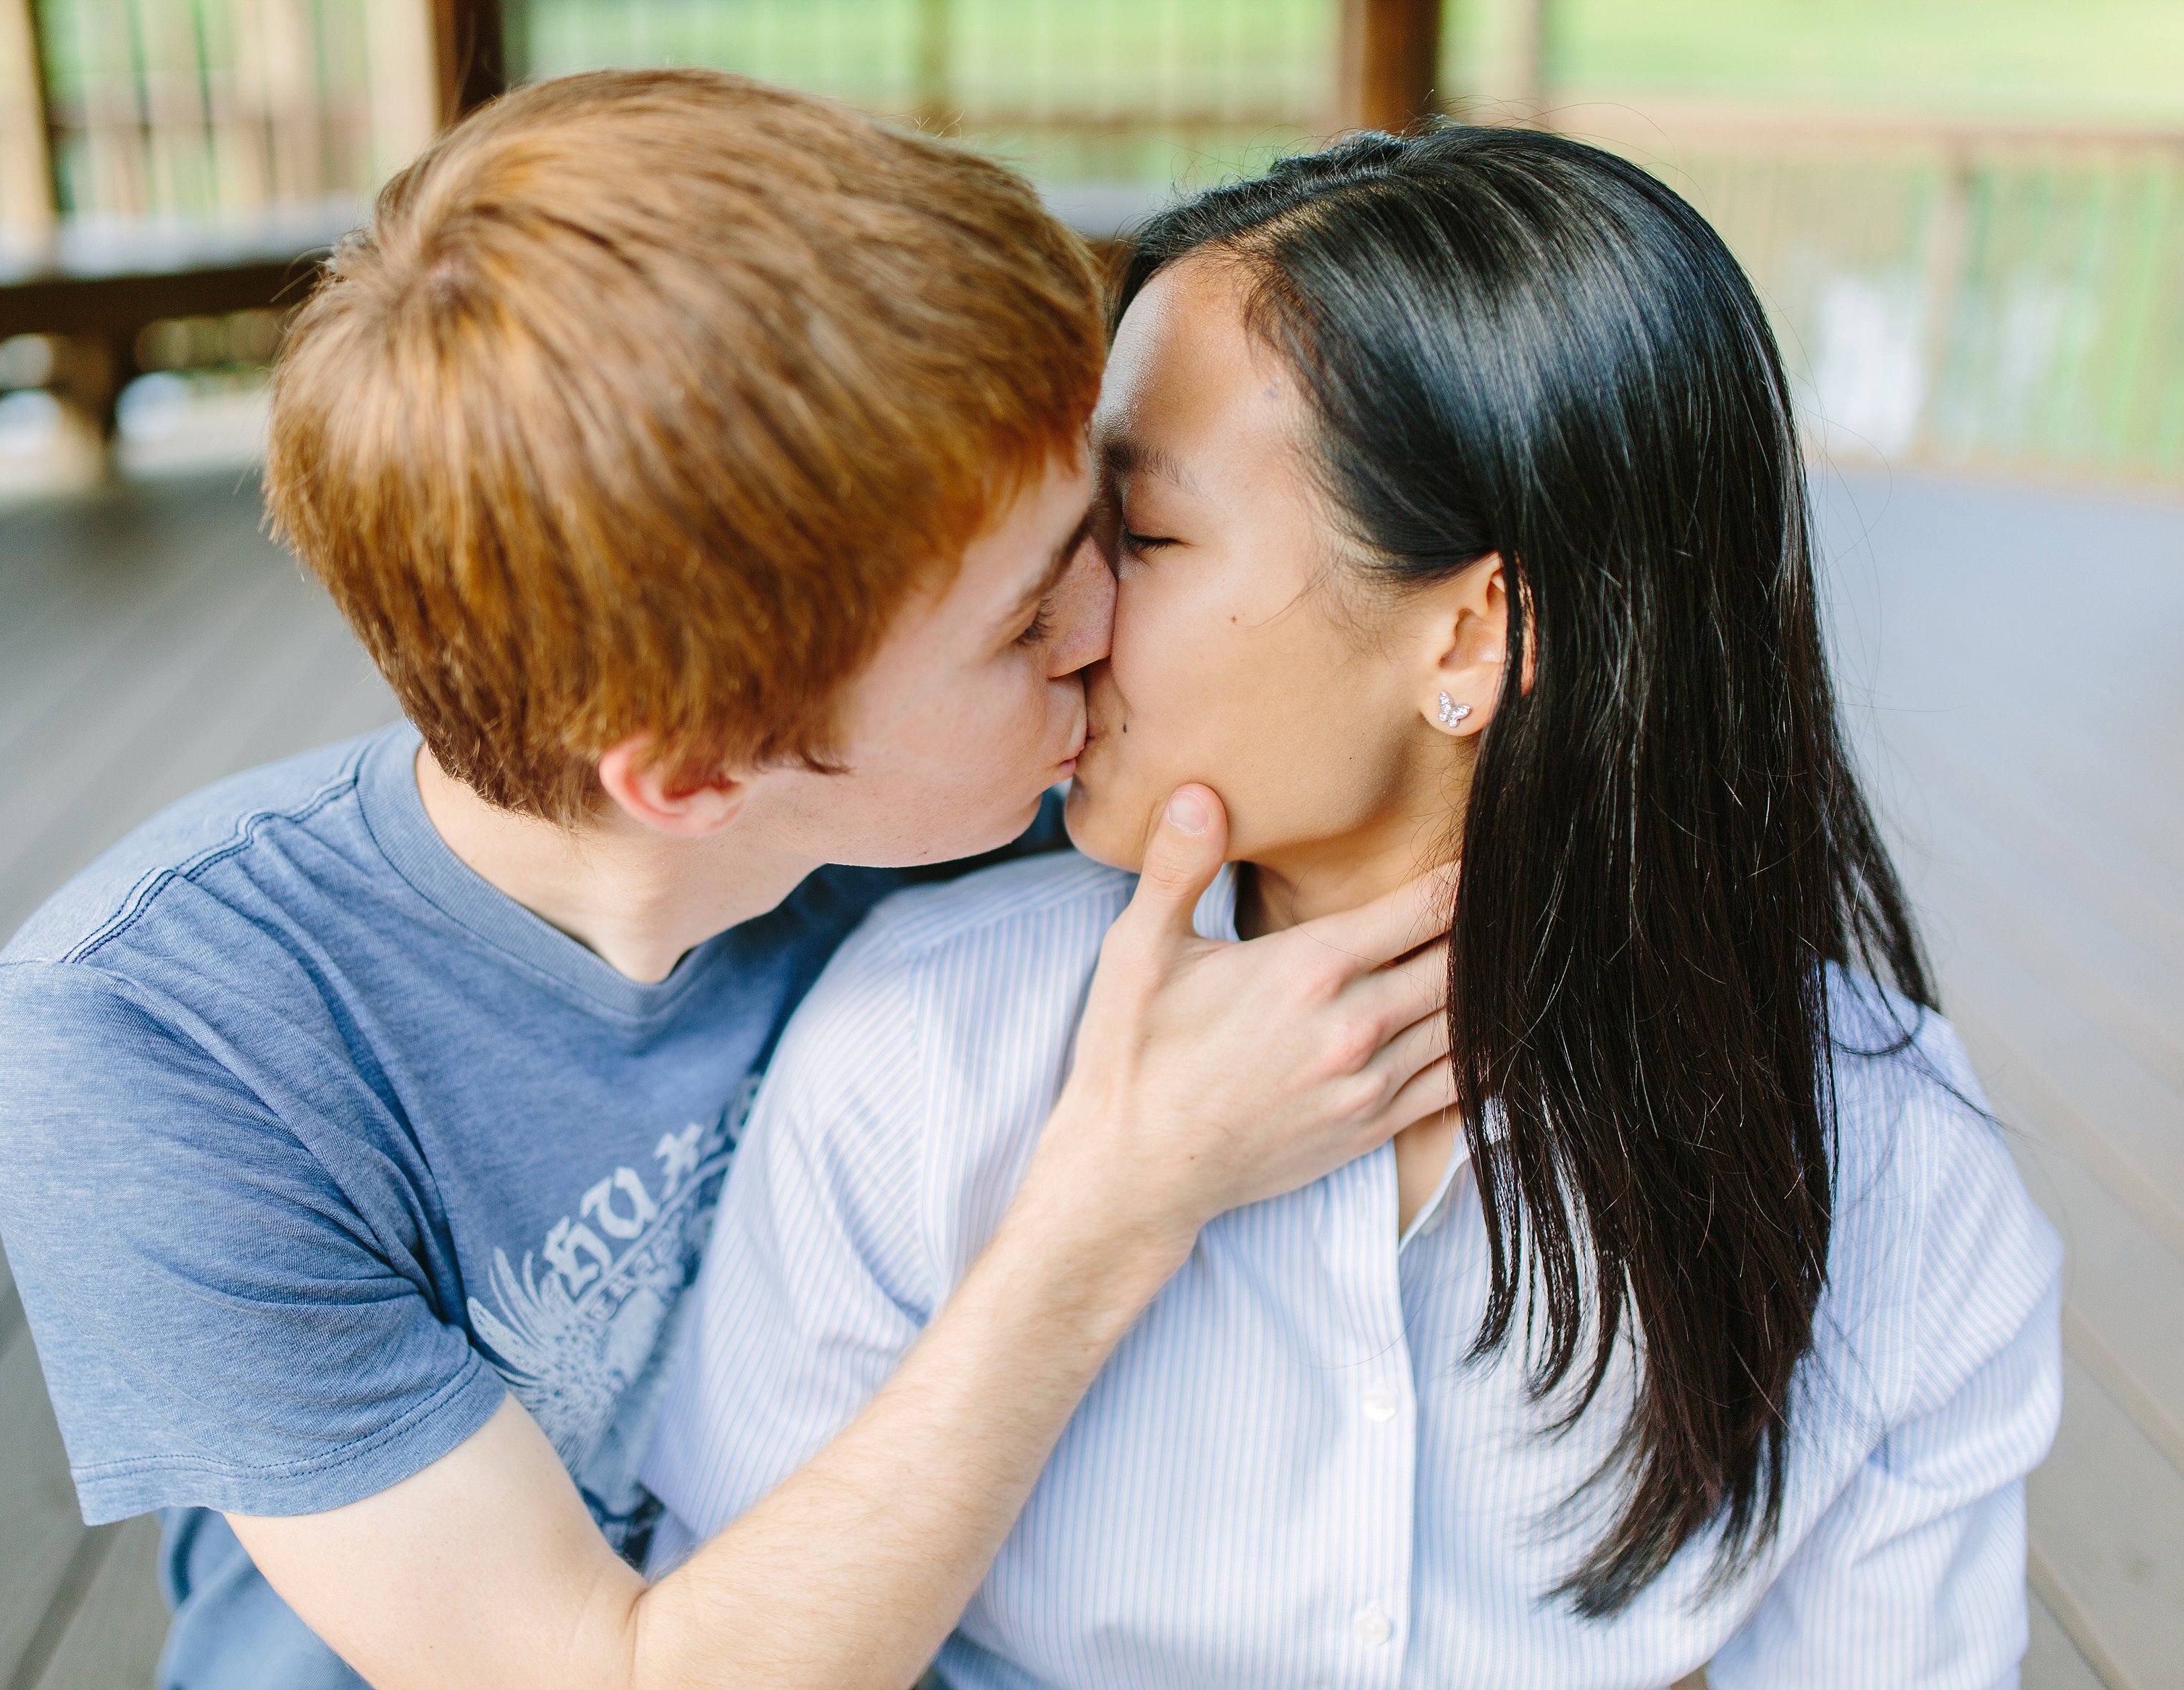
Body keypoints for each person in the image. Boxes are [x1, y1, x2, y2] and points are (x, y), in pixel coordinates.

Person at [0, 70, 1456, 1690]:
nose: (1105, 633)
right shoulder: (160, 1042)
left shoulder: (1004, 790)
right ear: (694, 775)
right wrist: (1118, 1201)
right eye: (1021, 627)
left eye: (1105, 532)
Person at [644, 127, 2064, 1689]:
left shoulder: (1883, 1166)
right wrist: (1102, 1219)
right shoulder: (922, 1050)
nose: (1061, 611)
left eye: (1147, 536)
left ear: (1470, 636)